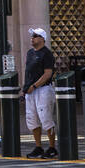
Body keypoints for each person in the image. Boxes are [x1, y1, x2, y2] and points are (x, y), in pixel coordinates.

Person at [23, 28, 57, 159]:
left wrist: (34, 85)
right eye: (32, 36)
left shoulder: (47, 54)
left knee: (46, 118)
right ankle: (38, 147)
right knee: (32, 119)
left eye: (36, 36)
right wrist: (27, 87)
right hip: (30, 91)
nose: (32, 38)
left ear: (43, 39)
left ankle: (52, 147)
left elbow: (48, 73)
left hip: (43, 89)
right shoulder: (30, 53)